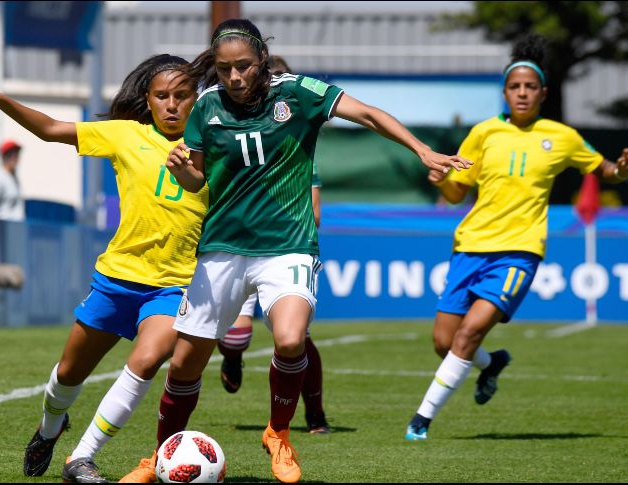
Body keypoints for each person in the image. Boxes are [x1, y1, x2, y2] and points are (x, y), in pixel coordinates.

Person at [121, 19, 471, 484]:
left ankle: (279, 433)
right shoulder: (206, 106)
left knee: (289, 339)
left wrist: (421, 150)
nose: (234, 77)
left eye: (244, 66)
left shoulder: (299, 92)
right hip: (223, 247)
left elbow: (368, 114)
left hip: (288, 245)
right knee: (184, 363)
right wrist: (180, 168)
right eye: (224, 69)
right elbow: (196, 180)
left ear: (262, 59)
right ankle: (158, 457)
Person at [0, 54, 206, 483]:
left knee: (147, 361)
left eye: (181, 96)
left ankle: (81, 458)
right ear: (147, 100)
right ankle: (49, 428)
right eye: (161, 96)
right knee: (68, 373)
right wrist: (1, 100)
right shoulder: (125, 134)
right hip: (116, 279)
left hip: (174, 284)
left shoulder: (216, 148)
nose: (171, 105)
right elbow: (51, 129)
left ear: (196, 99)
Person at [404, 34, 628, 442]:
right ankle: (492, 364)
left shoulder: (562, 136)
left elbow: (605, 169)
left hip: (519, 252)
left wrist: (622, 170)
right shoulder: (483, 133)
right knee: (444, 342)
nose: (522, 93)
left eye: (530, 86)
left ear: (543, 93)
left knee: (469, 334)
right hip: (470, 246)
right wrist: (441, 180)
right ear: (505, 92)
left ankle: (421, 420)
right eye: (515, 86)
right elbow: (457, 192)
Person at [216, 55, 331, 436]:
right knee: (236, 337)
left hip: (282, 249)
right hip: (236, 247)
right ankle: (232, 358)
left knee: (297, 339)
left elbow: (315, 212)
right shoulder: (231, 136)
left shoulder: (297, 151)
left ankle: (315, 415)